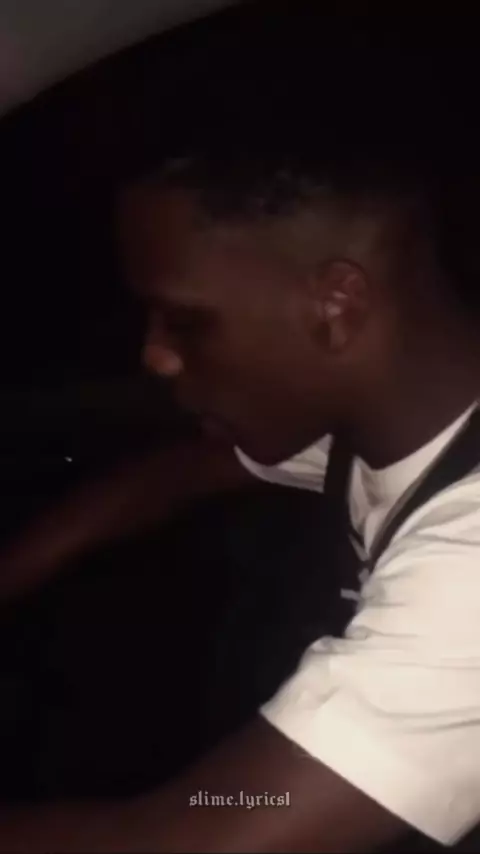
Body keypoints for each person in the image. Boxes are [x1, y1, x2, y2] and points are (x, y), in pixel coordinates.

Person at [1, 116, 480, 852]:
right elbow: (174, 475)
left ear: (336, 307)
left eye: (184, 321)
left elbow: (181, 842)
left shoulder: (467, 560)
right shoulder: (387, 431)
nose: (155, 356)